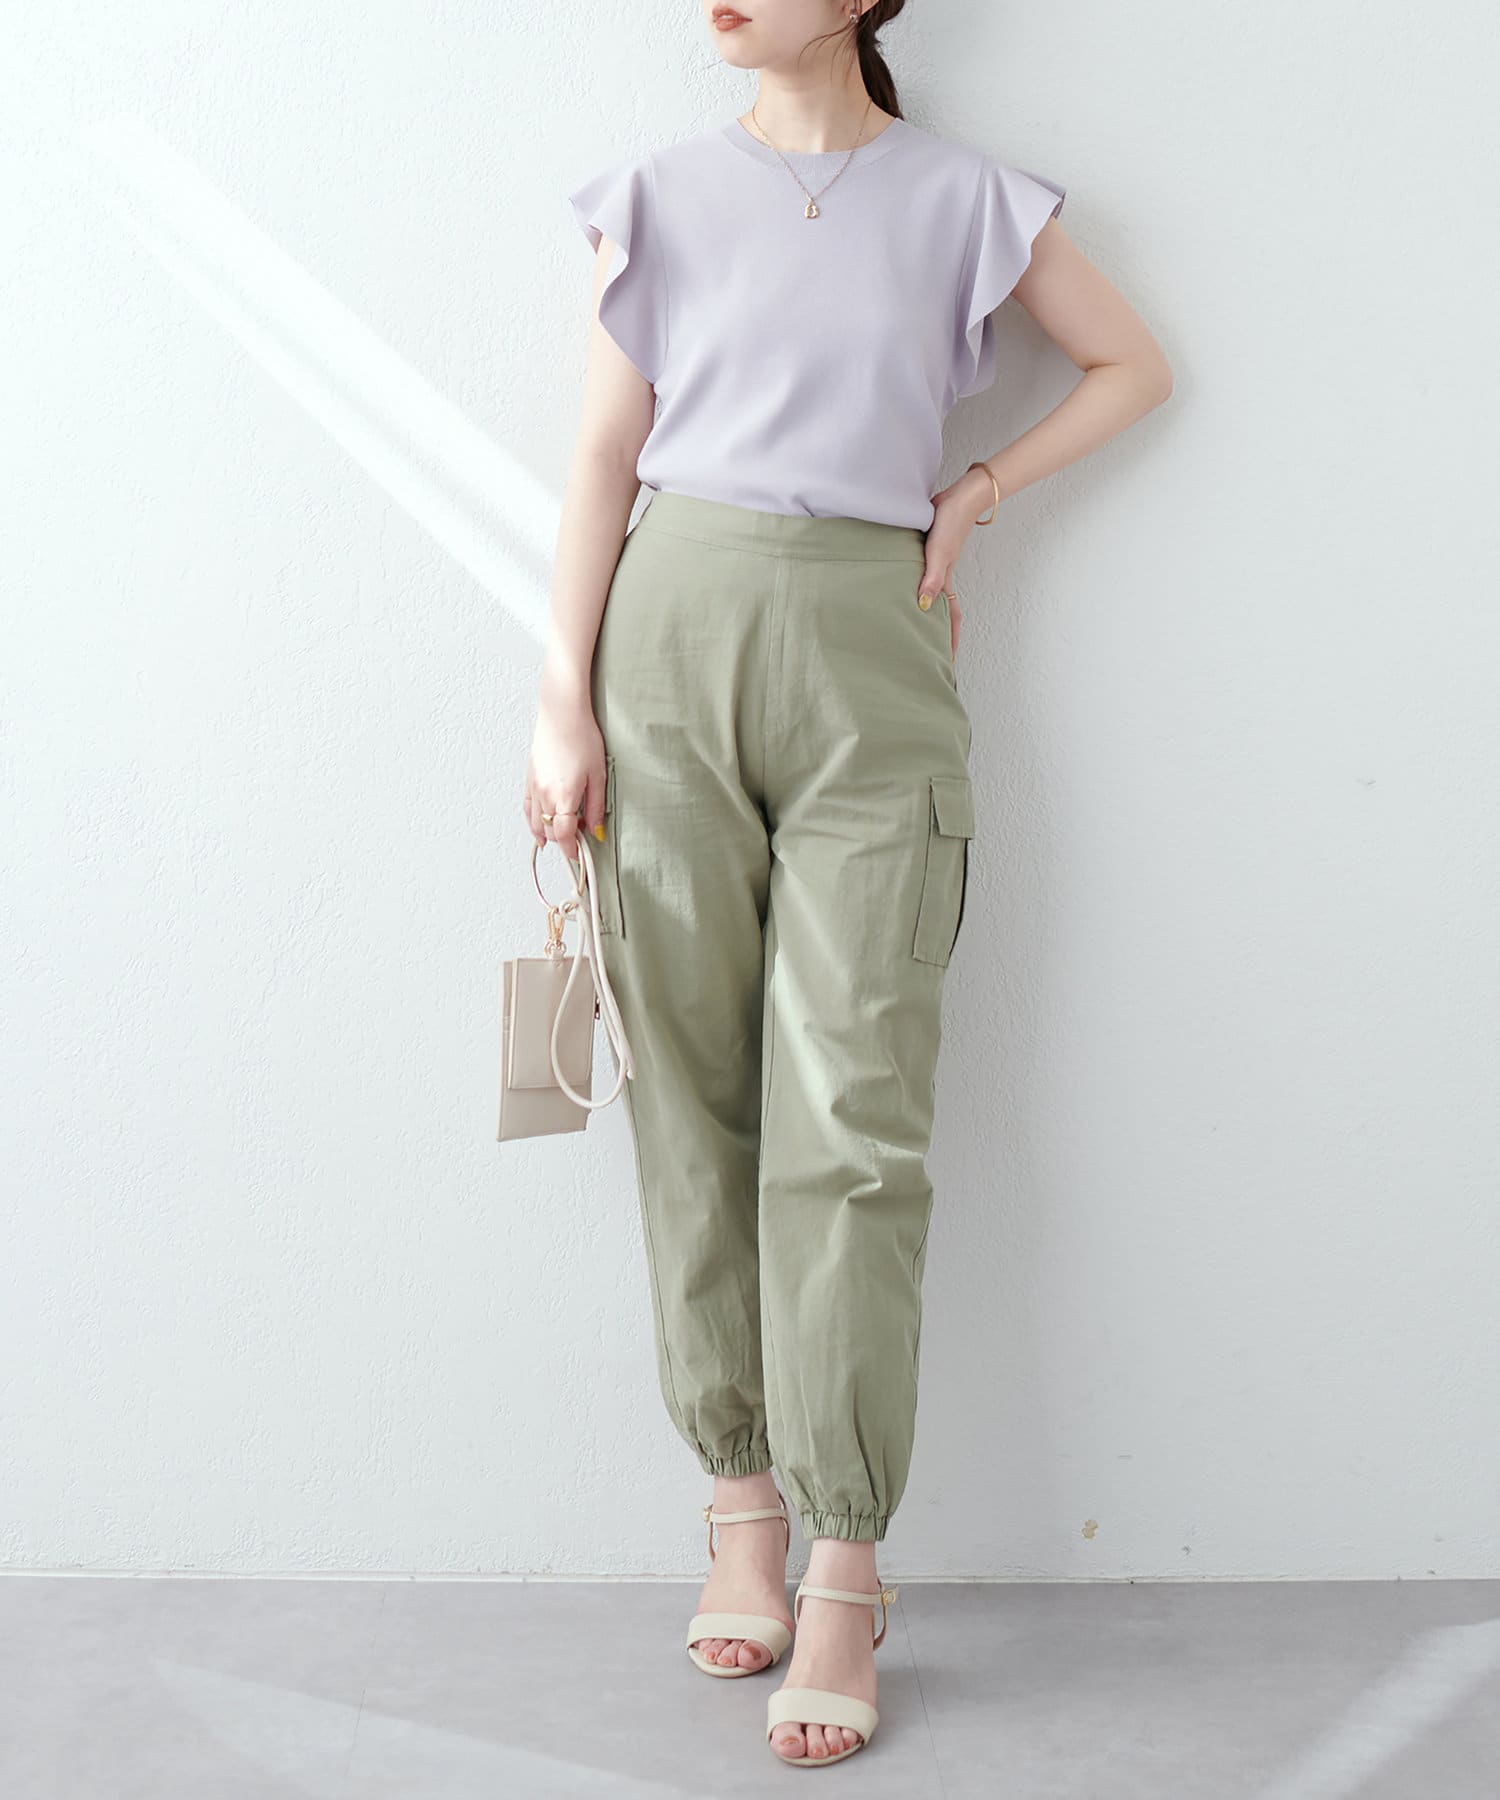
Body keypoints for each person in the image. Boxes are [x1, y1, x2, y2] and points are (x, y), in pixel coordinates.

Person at [527, 0, 1172, 1770]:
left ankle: (846, 1567)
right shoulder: (658, 195)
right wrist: (561, 701)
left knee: (859, 1120)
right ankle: (739, 1505)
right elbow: (601, 456)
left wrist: (981, 490)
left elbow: (1133, 367)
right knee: (694, 1104)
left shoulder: (971, 202)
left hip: (875, 655)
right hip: (669, 635)